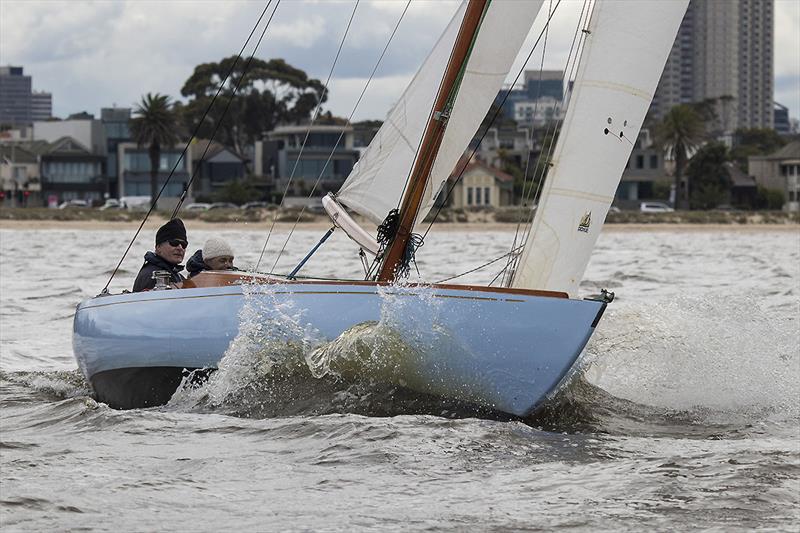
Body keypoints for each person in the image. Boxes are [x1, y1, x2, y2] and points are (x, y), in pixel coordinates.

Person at [132, 218, 188, 292]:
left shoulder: (178, 276)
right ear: (158, 247)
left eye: (184, 244)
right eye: (174, 243)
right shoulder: (151, 276)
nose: (180, 248)